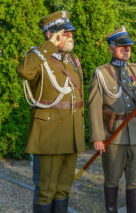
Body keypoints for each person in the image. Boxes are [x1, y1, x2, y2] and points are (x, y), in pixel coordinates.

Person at [17, 11, 85, 212]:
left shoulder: (72, 60)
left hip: (70, 134)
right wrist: (48, 47)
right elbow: (24, 71)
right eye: (65, 32)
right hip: (48, 136)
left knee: (64, 189)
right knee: (46, 190)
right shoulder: (38, 57)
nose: (70, 35)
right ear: (50, 35)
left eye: (71, 32)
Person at [88, 26, 136, 213]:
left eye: (129, 46)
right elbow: (93, 107)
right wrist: (98, 138)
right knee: (112, 179)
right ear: (111, 48)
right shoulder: (101, 73)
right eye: (122, 46)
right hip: (113, 134)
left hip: (135, 132)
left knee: (134, 180)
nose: (127, 50)